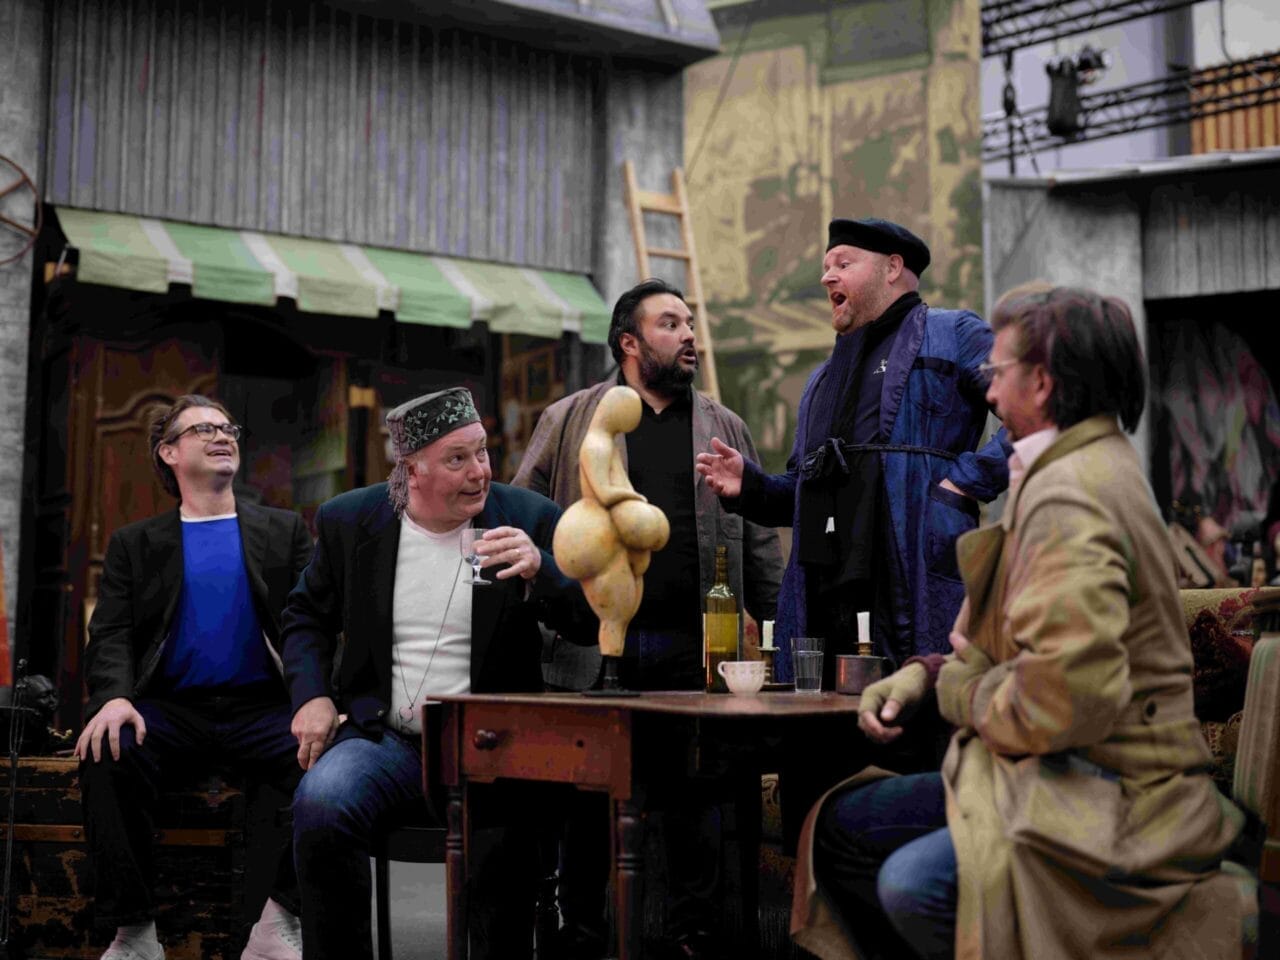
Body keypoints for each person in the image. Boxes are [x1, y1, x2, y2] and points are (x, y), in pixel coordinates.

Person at [793, 285, 1246, 960]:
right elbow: (1026, 647)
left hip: (1105, 792)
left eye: (998, 373)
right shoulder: (1071, 468)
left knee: (904, 879)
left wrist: (952, 693)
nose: (990, 394)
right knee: (842, 820)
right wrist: (925, 674)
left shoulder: (1072, 497)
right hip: (1060, 769)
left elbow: (1061, 700)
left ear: (1042, 381)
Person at [695, 217, 1008, 839]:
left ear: (893, 267)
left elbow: (1030, 407)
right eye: (826, 264)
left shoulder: (956, 334)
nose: (826, 275)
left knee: (916, 750)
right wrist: (751, 487)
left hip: (912, 586)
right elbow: (805, 495)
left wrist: (965, 481)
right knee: (818, 777)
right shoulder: (820, 382)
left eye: (842, 261)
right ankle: (817, 928)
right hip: (824, 607)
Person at [514, 278, 783, 959]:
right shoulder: (573, 419)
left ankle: (692, 938)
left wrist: (784, 633)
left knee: (695, 803)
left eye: (691, 322)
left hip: (696, 652)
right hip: (592, 648)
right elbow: (521, 519)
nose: (690, 335)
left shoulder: (725, 428)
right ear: (630, 343)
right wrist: (543, 597)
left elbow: (757, 546)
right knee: (586, 807)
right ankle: (581, 937)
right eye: (671, 324)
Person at [281, 387, 592, 960]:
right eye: (457, 459)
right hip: (388, 740)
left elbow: (591, 626)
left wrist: (541, 573)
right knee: (321, 804)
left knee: (507, 852)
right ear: (412, 469)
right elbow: (304, 617)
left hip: (494, 743)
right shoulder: (353, 521)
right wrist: (311, 698)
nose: (479, 473)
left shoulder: (526, 517)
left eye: (482, 452)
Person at [76, 395, 312, 960]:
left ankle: (280, 919)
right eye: (203, 428)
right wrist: (112, 698)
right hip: (170, 710)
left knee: (334, 761)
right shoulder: (136, 544)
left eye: (228, 426)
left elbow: (312, 627)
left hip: (263, 709)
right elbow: (109, 633)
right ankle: (133, 932)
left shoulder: (284, 532)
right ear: (169, 452)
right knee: (106, 751)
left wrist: (316, 698)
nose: (222, 435)